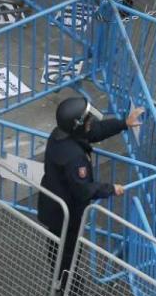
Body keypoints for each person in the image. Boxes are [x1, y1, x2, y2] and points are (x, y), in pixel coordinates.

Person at [39, 97, 142, 275]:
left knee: (57, 248)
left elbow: (94, 131)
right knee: (67, 254)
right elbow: (83, 190)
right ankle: (67, 286)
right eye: (87, 121)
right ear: (77, 125)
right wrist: (111, 189)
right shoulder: (74, 157)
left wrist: (124, 123)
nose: (91, 123)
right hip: (66, 213)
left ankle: (62, 280)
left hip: (54, 207)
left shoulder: (60, 135)